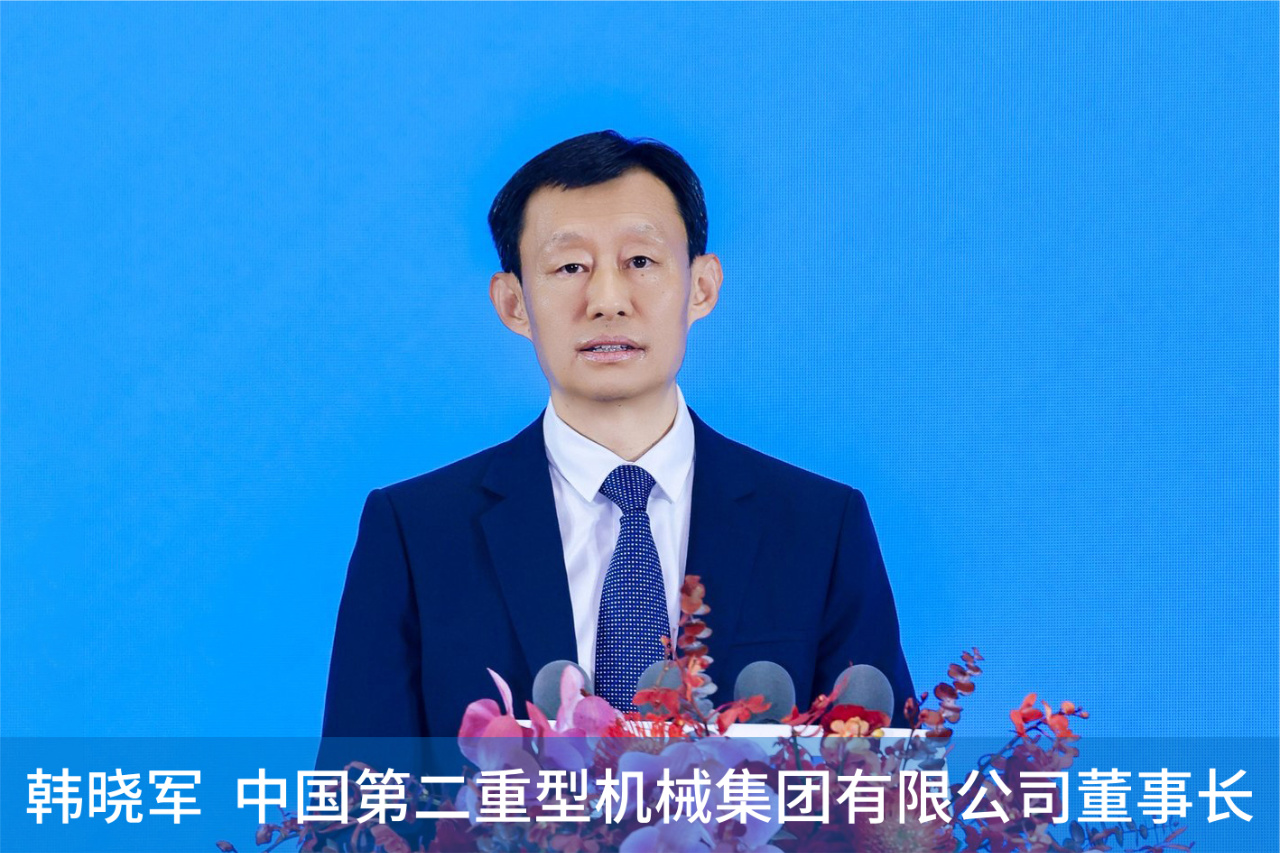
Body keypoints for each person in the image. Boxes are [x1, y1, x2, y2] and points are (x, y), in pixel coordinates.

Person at [320, 130, 914, 747]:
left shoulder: (820, 528)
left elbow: (883, 787)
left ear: (702, 286)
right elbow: (357, 795)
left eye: (640, 262)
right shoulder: (416, 534)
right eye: (570, 267)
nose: (606, 300)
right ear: (514, 302)